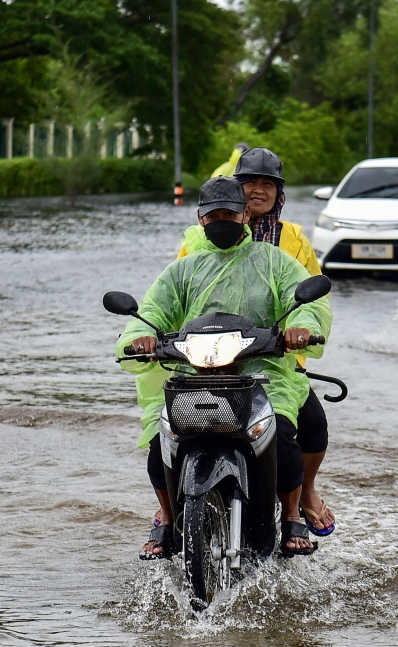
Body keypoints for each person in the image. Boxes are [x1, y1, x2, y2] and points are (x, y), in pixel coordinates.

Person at [119, 176, 332, 558]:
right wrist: (141, 336)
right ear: (201, 219)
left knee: (282, 435)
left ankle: (290, 517)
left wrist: (302, 328)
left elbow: (306, 302)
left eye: (229, 214)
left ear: (245, 215)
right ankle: (167, 519)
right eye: (213, 214)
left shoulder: (274, 262)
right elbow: (151, 310)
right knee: (160, 444)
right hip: (193, 374)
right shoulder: (182, 270)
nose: (221, 220)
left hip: (262, 373)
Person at [176, 147, 335, 537]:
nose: (258, 191)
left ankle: (300, 501)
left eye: (268, 184)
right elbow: (174, 293)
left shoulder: (292, 241)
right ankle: (169, 512)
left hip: (273, 355)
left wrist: (298, 332)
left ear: (279, 193)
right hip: (209, 356)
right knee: (167, 429)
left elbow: (311, 296)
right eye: (250, 183)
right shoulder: (199, 240)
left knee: (308, 427)